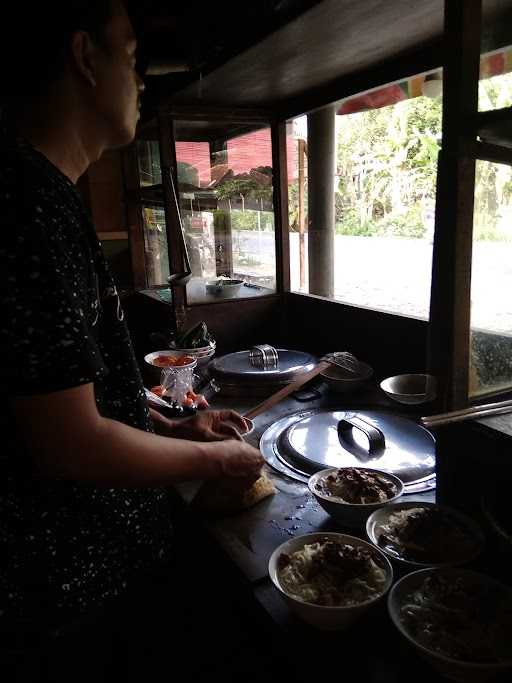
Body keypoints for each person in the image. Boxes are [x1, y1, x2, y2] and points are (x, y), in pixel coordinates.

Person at [0, 1, 264, 679]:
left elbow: (71, 393)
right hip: (67, 596)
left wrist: (178, 429)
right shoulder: (26, 206)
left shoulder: (52, 196)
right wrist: (216, 462)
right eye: (131, 54)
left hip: (93, 579)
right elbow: (68, 440)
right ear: (85, 57)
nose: (141, 78)